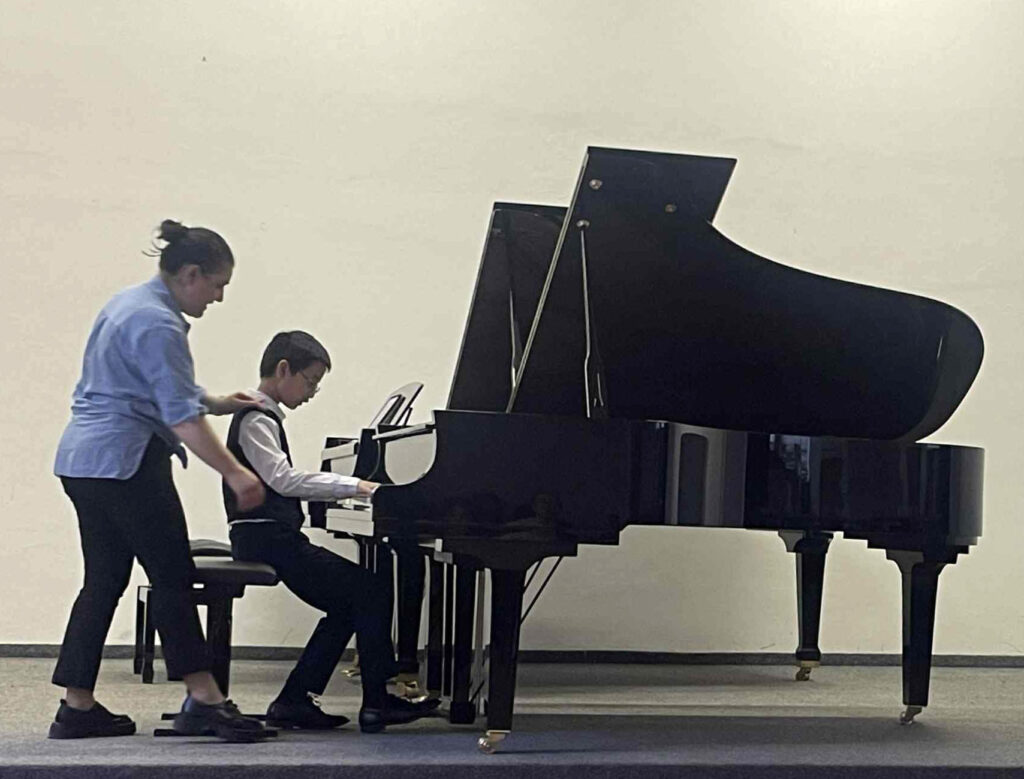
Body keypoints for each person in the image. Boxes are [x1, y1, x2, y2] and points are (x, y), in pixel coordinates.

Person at [50, 220, 270, 742]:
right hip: (127, 462)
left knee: (103, 580)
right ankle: (205, 700)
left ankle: (77, 706)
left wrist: (218, 401)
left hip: (83, 461)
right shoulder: (158, 323)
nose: (218, 297)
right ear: (190, 274)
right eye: (217, 285)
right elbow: (181, 418)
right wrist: (236, 473)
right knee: (172, 575)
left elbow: (148, 386)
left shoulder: (127, 303)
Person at [224, 331, 439, 732]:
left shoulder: (263, 417)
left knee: (350, 602)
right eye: (310, 381)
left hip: (268, 536)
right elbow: (284, 480)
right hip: (267, 539)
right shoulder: (256, 419)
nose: (312, 393)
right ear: (283, 369)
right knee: (371, 589)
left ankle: (294, 701)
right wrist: (356, 486)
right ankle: (377, 702)